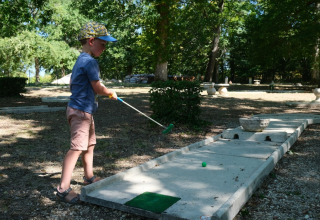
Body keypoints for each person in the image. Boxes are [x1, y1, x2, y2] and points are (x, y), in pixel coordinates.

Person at [55, 21, 118, 204]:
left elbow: (76, 84)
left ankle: (88, 176)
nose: (105, 48)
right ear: (91, 41)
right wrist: (110, 92)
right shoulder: (90, 62)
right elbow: (97, 87)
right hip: (81, 112)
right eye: (103, 44)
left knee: (89, 145)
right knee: (76, 148)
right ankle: (63, 189)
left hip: (84, 112)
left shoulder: (80, 60)